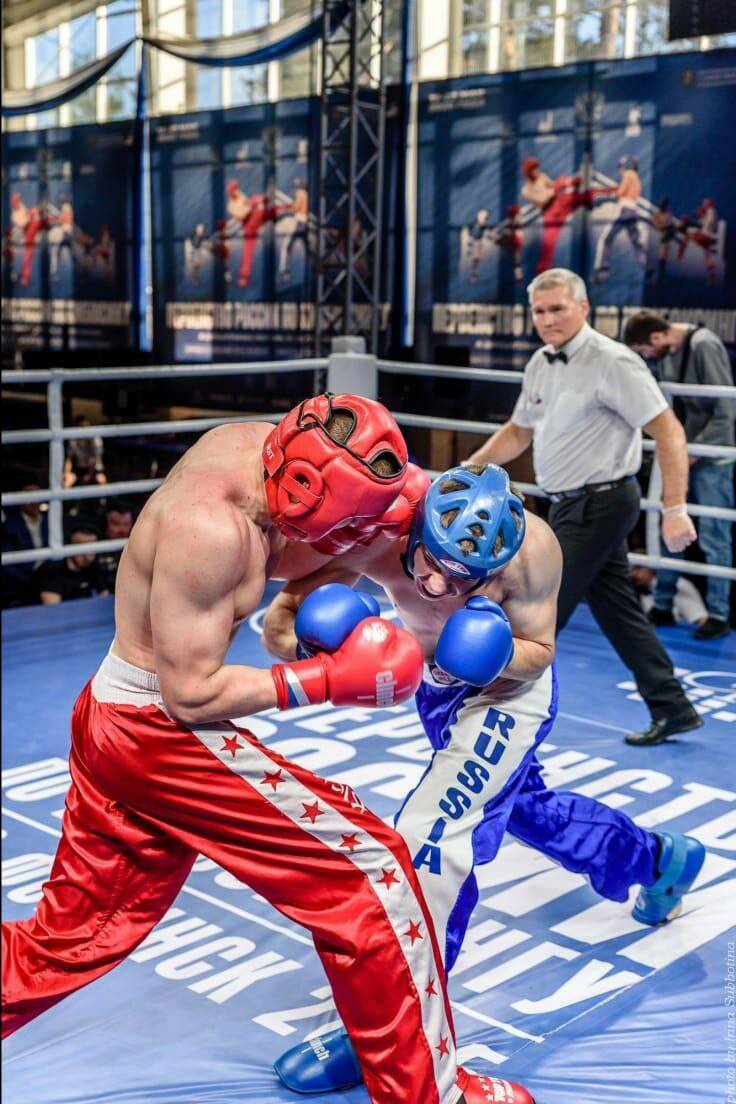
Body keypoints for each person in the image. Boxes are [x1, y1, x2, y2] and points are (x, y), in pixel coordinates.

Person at [2, 392, 516, 1104]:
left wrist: (417, 519)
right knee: (376, 874)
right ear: (296, 486)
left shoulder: (266, 449)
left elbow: (325, 541)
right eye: (341, 527)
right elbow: (190, 696)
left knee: (71, 939)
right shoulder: (210, 530)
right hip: (158, 729)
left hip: (111, 719)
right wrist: (328, 678)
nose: (345, 542)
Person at [264, 464, 704, 1096]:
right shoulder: (377, 525)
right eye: (429, 565)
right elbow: (281, 621)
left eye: (462, 579)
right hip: (434, 691)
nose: (436, 585)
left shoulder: (534, 551)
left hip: (506, 696)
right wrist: (317, 650)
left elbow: (539, 652)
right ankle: (660, 860)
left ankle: (388, 1027)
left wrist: (490, 651)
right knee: (529, 811)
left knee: (430, 840)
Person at [467, 268, 702, 748]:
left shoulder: (614, 362)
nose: (547, 319)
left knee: (535, 611)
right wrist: (470, 468)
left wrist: (674, 507)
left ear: (583, 307)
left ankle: (488, 723)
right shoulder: (541, 361)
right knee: (618, 611)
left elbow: (669, 430)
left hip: (602, 503)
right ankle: (672, 706)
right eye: (539, 311)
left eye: (557, 308)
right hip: (568, 505)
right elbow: (519, 430)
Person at [624, 311, 734, 639]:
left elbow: (726, 411)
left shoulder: (704, 345)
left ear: (656, 337)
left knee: (714, 534)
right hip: (683, 452)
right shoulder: (669, 352)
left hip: (713, 456)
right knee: (669, 527)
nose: (647, 357)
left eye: (644, 350)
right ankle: (662, 604)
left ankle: (719, 614)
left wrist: (691, 451)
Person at [592, 155, 648, 283]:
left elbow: (620, 193)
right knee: (637, 242)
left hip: (624, 211)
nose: (620, 170)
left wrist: (603, 199)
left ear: (627, 166)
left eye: (621, 167)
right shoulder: (636, 177)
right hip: (633, 211)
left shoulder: (629, 174)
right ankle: (647, 268)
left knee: (606, 239)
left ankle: (602, 268)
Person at [33, 519, 109, 605]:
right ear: (70, 547)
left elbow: (104, 598)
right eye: (83, 547)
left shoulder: (92, 567)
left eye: (92, 547)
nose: (89, 554)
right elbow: (53, 610)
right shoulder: (52, 570)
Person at [1, 482, 48, 608]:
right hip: (23, 579)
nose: (33, 502)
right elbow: (7, 564)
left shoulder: (49, 520)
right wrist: (29, 579)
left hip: (49, 574)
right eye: (29, 497)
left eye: (37, 496)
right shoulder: (10, 525)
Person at [94, 499, 134, 594]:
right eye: (116, 524)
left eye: (126, 524)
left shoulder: (136, 545)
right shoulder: (95, 546)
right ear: (105, 524)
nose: (122, 530)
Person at [64, 415, 106, 487]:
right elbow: (69, 459)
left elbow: (96, 459)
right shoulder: (73, 440)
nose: (84, 429)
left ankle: (104, 495)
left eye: (86, 427)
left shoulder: (96, 439)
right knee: (67, 480)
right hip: (79, 468)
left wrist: (89, 474)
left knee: (101, 479)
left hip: (95, 469)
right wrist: (66, 473)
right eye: (81, 427)